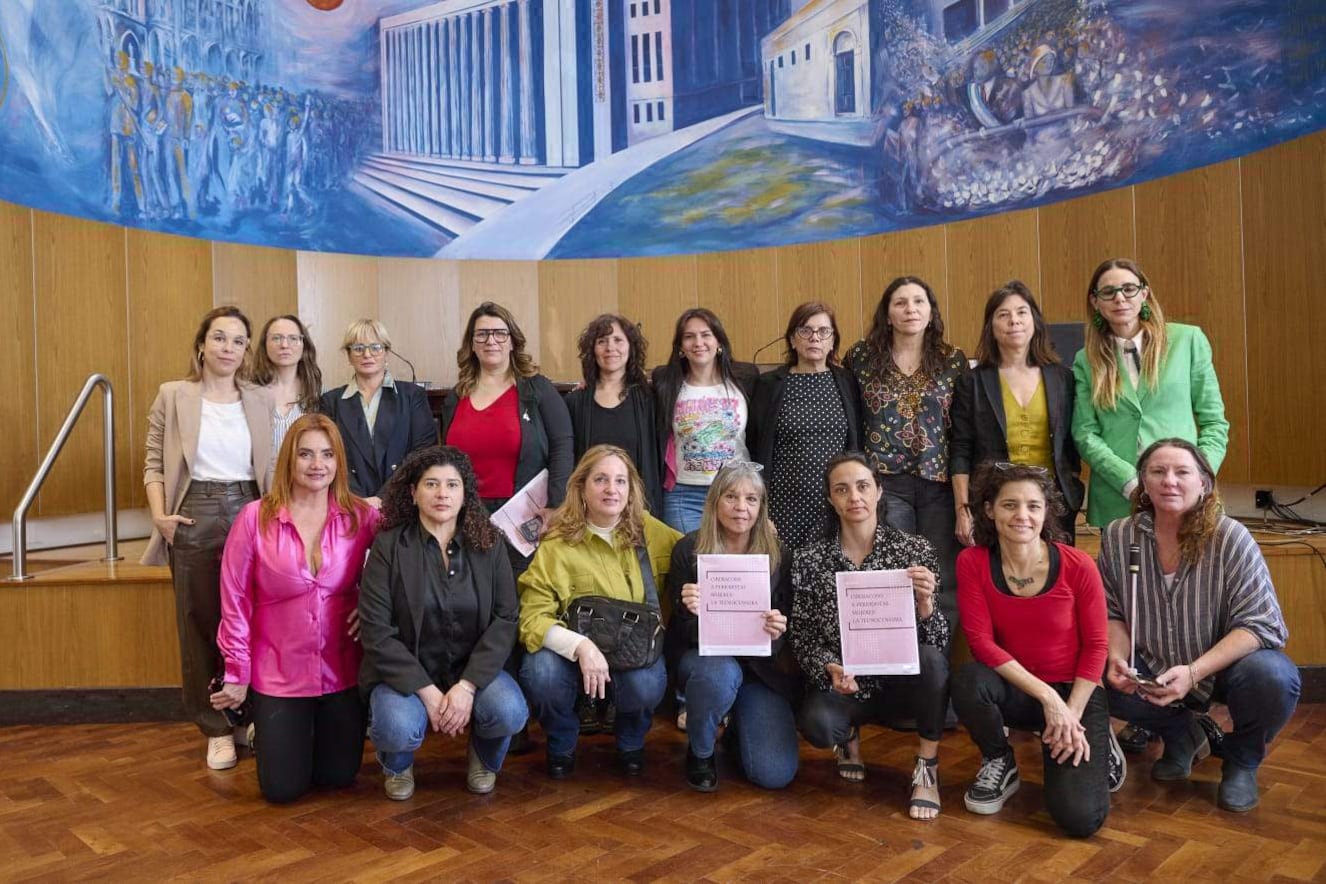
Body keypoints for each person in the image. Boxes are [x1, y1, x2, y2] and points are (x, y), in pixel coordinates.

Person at [1099, 439, 1299, 813]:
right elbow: (1112, 612)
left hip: (1219, 668)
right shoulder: (1117, 536)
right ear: (1143, 481)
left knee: (1273, 675)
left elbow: (1261, 626)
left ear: (1204, 483)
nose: (1168, 481)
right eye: (1157, 472)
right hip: (1151, 663)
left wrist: (1194, 672)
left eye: (1182, 472)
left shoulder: (1231, 538)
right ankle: (1182, 734)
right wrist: (1116, 657)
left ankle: (1241, 761)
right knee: (1090, 667)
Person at [213, 414, 380, 803]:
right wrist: (237, 672)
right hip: (278, 671)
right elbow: (234, 598)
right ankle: (266, 731)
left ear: (339, 462)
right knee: (282, 789)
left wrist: (369, 602)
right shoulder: (255, 517)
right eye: (305, 454)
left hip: (341, 669)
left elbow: (402, 557)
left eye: (326, 454)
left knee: (338, 777)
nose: (316, 464)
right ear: (289, 459)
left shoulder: (361, 516)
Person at [951, 462, 1119, 838]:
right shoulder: (973, 562)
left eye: (1033, 506)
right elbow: (981, 644)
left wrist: (1069, 713)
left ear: (1046, 512)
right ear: (990, 509)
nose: (1021, 516)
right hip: (1023, 690)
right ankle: (1000, 759)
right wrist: (1047, 699)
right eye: (1009, 505)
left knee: (1080, 820)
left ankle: (1096, 736)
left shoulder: (1078, 565)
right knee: (968, 680)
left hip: (1075, 692)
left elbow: (1096, 647)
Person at [142, 305, 273, 770]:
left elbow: (271, 468)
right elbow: (154, 461)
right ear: (201, 344)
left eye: (239, 341)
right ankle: (215, 728)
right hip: (193, 510)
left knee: (252, 619)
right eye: (220, 338)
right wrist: (161, 516)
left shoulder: (261, 398)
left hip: (250, 508)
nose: (228, 348)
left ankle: (247, 717)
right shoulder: (173, 395)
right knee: (199, 620)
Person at [358, 446, 528, 799]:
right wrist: (427, 691)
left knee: (509, 711)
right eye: (431, 484)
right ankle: (398, 764)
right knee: (396, 725)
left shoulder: (490, 544)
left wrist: (466, 687)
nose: (442, 494)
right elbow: (376, 630)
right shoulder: (389, 546)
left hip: (471, 672)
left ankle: (484, 758)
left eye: (452, 485)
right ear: (413, 492)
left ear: (465, 494)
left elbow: (505, 618)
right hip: (407, 675)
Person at [792, 453, 950, 820]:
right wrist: (828, 668)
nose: (854, 497)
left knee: (931, 662)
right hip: (845, 683)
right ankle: (848, 737)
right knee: (817, 724)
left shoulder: (915, 551)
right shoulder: (809, 558)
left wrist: (925, 603)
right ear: (830, 499)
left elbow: (938, 643)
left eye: (863, 486)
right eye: (842, 489)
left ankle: (927, 767)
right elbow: (801, 636)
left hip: (900, 686)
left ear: (879, 491)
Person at [517, 445, 682, 779]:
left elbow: (696, 553)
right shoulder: (558, 543)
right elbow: (532, 617)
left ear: (631, 489)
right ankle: (562, 740)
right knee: (540, 673)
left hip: (634, 652)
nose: (612, 489)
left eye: (621, 481)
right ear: (581, 487)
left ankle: (631, 738)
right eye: (601, 479)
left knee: (647, 684)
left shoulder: (650, 532)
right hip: (573, 656)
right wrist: (581, 647)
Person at [665, 461, 801, 792]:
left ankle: (736, 724)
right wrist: (689, 609)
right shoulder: (689, 549)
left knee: (774, 774)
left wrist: (778, 628)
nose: (741, 507)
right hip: (706, 663)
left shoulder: (778, 554)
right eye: (731, 496)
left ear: (761, 506)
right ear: (714, 501)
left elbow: (787, 626)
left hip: (759, 671)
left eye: (751, 499)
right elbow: (680, 634)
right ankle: (701, 752)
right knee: (719, 676)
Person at [844, 277, 968, 632]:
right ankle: (894, 662)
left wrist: (963, 502)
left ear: (931, 312)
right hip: (886, 484)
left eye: (918, 302)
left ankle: (935, 662)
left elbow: (961, 430)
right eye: (900, 303)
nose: (910, 309)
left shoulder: (952, 360)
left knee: (939, 576)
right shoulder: (861, 357)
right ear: (887, 314)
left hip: (938, 485)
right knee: (891, 571)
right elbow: (851, 418)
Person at [1072, 258, 1229, 527]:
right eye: (1108, 292)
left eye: (1129, 289)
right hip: (1119, 499)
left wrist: (1198, 476)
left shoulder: (1187, 341)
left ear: (1144, 294)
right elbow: (1085, 434)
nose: (1120, 298)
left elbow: (1214, 422)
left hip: (1186, 495)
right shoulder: (1086, 360)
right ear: (1096, 302)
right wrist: (1130, 483)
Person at [441, 302, 573, 561]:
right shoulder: (456, 397)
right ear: (472, 343)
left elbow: (563, 447)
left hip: (522, 520)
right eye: (482, 334)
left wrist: (557, 505)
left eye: (500, 333)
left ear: (512, 341)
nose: (491, 340)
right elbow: (444, 458)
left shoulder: (537, 390)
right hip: (464, 517)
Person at [951, 281, 1082, 543]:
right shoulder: (972, 381)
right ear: (991, 327)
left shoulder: (1063, 378)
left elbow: (1072, 444)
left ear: (1034, 320)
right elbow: (960, 450)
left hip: (1052, 502)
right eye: (1003, 314)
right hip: (995, 503)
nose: (1014, 321)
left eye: (1022, 312)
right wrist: (963, 510)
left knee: (1055, 574)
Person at [748, 302, 861, 551]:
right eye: (805, 330)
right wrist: (760, 509)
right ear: (792, 340)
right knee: (783, 579)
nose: (814, 338)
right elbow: (756, 448)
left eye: (823, 331)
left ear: (833, 341)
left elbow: (856, 445)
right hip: (783, 504)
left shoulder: (847, 382)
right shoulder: (769, 385)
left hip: (834, 504)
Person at [653, 308, 758, 534]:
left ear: (719, 341)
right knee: (690, 560)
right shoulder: (665, 382)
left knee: (730, 564)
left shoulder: (746, 378)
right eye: (689, 337)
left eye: (705, 334)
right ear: (681, 347)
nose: (698, 342)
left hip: (735, 491)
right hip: (684, 495)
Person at [320, 319, 437, 507]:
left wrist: (383, 497)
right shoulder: (330, 402)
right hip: (350, 504)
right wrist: (359, 501)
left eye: (375, 347)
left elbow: (422, 452)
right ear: (349, 355)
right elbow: (328, 453)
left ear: (387, 353)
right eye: (358, 348)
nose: (367, 354)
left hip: (402, 503)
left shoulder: (412, 396)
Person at [564, 314, 663, 515]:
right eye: (602, 341)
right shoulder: (575, 402)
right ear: (592, 350)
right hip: (589, 511)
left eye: (618, 340)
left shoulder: (650, 399)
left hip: (640, 510)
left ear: (631, 347)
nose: (610, 348)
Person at [251, 314, 322, 455]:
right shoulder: (249, 392)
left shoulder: (319, 393)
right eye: (276, 338)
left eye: (293, 338)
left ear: (304, 345)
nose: (284, 345)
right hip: (259, 476)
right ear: (264, 345)